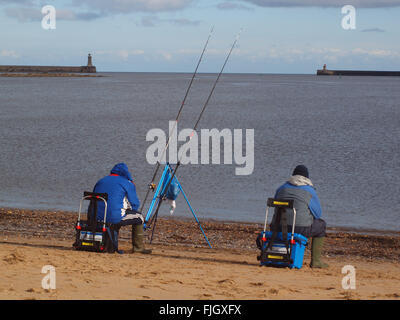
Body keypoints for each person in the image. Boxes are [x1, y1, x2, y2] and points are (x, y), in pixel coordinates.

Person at [272, 164, 328, 268]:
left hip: (277, 227)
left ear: (292, 175)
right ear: (307, 178)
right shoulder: (310, 191)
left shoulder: (281, 188)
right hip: (300, 229)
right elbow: (318, 214)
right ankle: (316, 261)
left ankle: (277, 253)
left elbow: (275, 205)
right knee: (321, 225)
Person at [90, 162, 152, 254]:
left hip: (95, 217)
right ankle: (138, 248)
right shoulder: (127, 183)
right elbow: (135, 204)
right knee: (139, 217)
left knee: (112, 212)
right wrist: (128, 209)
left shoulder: (101, 181)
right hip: (113, 218)